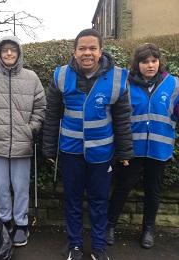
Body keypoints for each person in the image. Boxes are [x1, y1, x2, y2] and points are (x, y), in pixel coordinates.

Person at [42, 29, 134, 260]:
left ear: (100, 51)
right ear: (74, 53)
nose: (87, 53)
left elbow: (123, 118)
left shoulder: (117, 78)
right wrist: (49, 148)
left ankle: (99, 247)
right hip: (70, 151)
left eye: (92, 48)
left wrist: (124, 151)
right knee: (72, 199)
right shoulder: (61, 76)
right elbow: (52, 115)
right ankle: (75, 245)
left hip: (102, 153)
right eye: (82, 48)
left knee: (99, 200)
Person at [106, 43, 179, 249]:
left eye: (154, 61)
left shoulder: (173, 84)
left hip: (159, 149)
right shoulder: (126, 85)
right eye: (145, 61)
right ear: (137, 64)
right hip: (132, 149)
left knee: (152, 191)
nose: (150, 65)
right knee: (122, 188)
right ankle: (109, 226)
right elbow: (117, 117)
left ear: (159, 62)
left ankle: (148, 229)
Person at [0, 36, 46, 247]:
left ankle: (22, 224)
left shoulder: (31, 78)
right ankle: (5, 221)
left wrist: (30, 129)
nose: (8, 53)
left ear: (19, 52)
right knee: (1, 186)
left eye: (12, 49)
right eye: (4, 50)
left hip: (22, 144)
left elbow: (40, 109)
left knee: (21, 186)